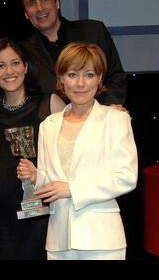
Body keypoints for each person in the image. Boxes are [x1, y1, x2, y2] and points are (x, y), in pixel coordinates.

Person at [18, 42, 137, 260]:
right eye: (72, 74)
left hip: (101, 238)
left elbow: (126, 177)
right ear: (61, 79)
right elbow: (52, 181)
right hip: (59, 239)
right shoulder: (48, 125)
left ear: (100, 78)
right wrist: (37, 177)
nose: (80, 83)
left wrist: (72, 189)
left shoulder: (116, 120)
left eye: (89, 74)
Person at [0, 38, 65, 259]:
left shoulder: (49, 105)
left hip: (40, 218)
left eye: (15, 63)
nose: (9, 71)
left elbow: (73, 151)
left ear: (26, 67)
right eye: (0, 65)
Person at [20, 0, 127, 107]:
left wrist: (101, 114)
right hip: (53, 124)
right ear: (26, 13)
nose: (40, 8)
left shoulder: (93, 31)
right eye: (31, 3)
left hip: (100, 121)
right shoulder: (22, 52)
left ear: (57, 3)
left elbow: (115, 78)